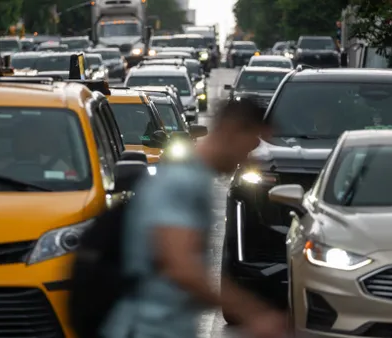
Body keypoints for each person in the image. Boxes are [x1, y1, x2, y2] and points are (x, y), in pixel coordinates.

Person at [103, 98, 287, 338]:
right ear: (231, 131)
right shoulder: (182, 181)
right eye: (250, 145)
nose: (248, 157)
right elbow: (181, 267)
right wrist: (254, 313)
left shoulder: (192, 177)